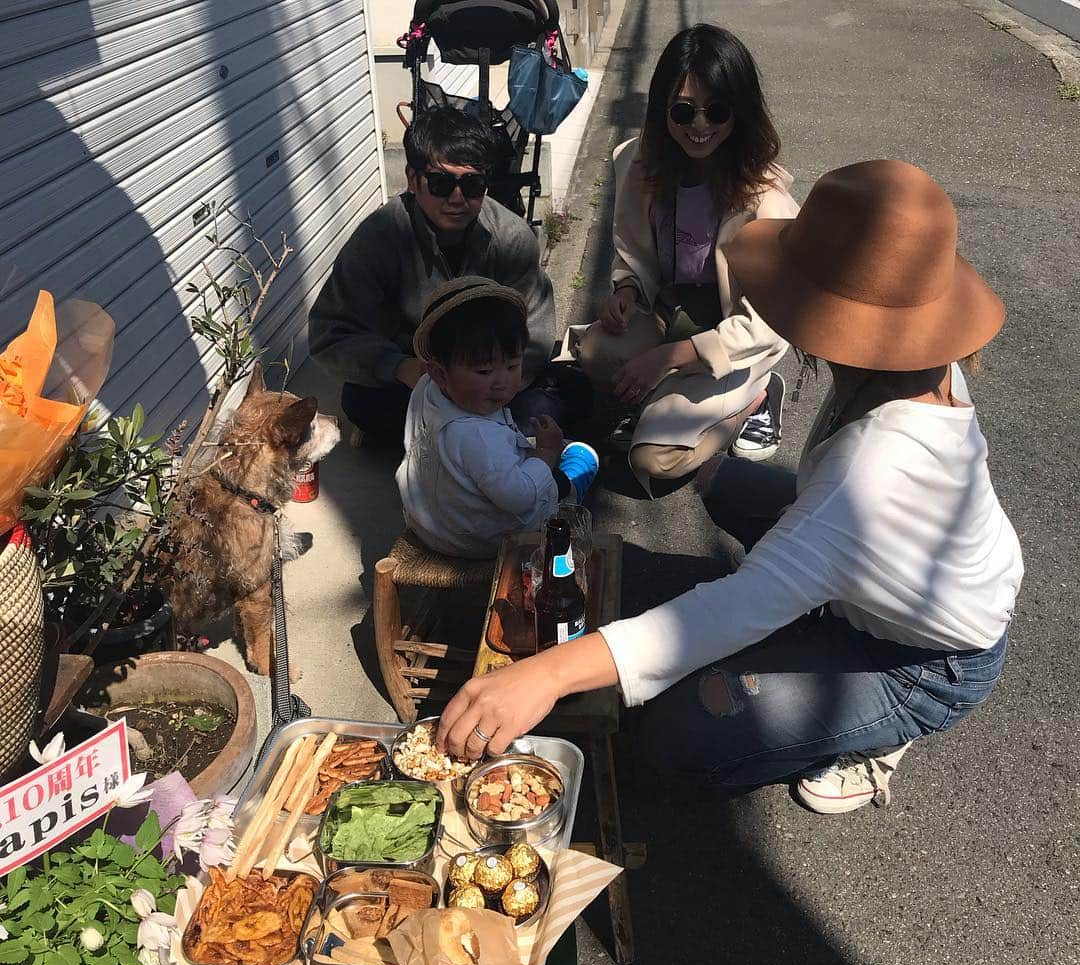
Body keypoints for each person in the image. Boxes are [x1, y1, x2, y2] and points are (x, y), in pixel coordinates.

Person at [436, 160, 1024, 815]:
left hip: (921, 663)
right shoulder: (921, 363)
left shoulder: (874, 474)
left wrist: (542, 676)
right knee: (719, 483)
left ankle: (884, 729)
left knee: (680, 735)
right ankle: (809, 635)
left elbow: (723, 614)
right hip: (900, 574)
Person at [577, 24, 799, 490]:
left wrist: (669, 358)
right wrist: (626, 288)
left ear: (740, 111)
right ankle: (676, 395)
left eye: (717, 110)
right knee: (596, 352)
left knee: (655, 461)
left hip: (734, 333)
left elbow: (768, 321)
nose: (700, 126)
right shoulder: (640, 163)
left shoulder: (767, 201)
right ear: (662, 111)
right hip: (672, 310)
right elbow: (634, 251)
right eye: (683, 111)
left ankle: (757, 395)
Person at [309, 106, 589, 448]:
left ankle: (446, 441)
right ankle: (482, 443)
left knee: (568, 393)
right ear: (413, 179)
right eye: (441, 183)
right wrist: (398, 366)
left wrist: (492, 386)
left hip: (494, 383)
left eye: (472, 184)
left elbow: (536, 333)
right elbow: (330, 333)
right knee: (360, 401)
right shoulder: (378, 237)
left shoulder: (512, 237)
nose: (457, 198)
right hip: (421, 381)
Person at [397, 278, 599, 559]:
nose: (502, 382)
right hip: (486, 541)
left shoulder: (426, 388)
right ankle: (570, 490)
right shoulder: (478, 437)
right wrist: (546, 454)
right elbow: (518, 498)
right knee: (572, 465)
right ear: (441, 373)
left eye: (512, 365)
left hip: (430, 524)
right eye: (483, 371)